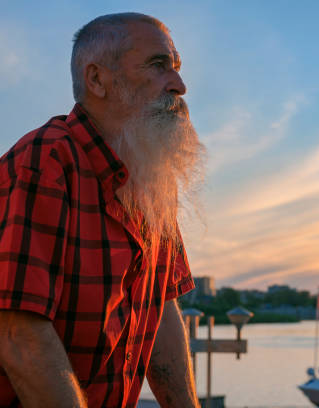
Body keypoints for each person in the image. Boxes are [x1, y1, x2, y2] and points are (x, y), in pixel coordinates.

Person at [0, 13, 205, 408]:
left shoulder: (153, 176)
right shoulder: (44, 163)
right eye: (158, 65)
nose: (179, 85)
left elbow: (161, 309)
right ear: (97, 80)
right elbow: (17, 332)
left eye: (176, 68)